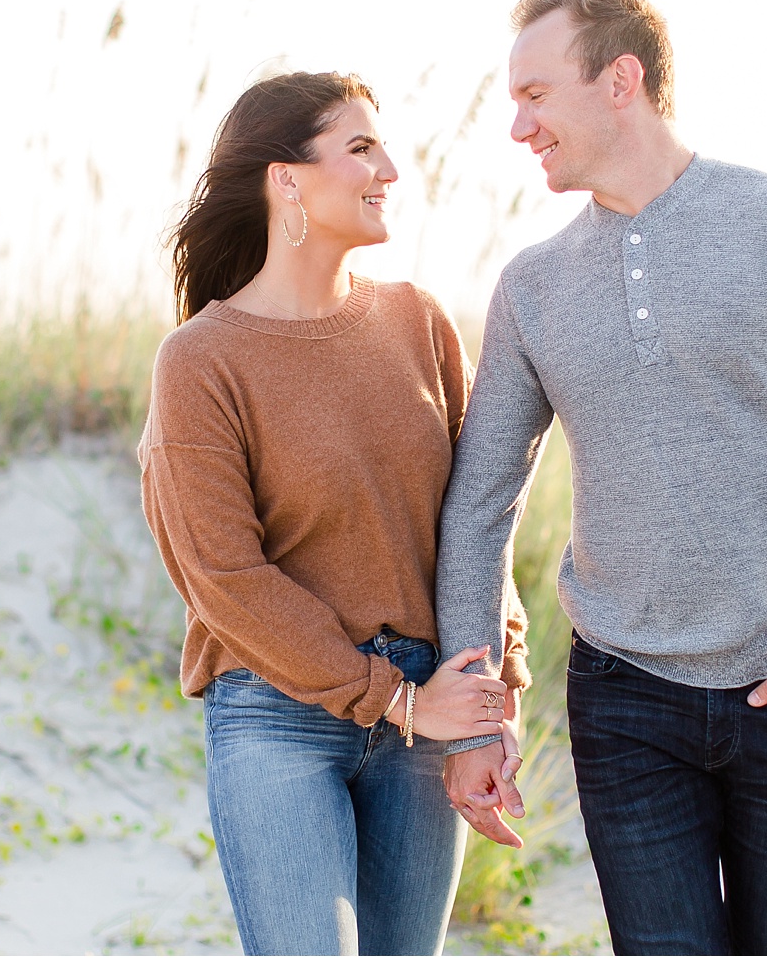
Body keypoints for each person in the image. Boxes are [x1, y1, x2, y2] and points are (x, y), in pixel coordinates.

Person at [436, 0, 767, 955]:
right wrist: (473, 720)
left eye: (537, 93)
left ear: (620, 80)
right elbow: (478, 506)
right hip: (625, 698)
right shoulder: (532, 287)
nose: (516, 124)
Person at [138, 71, 532, 956]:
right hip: (278, 714)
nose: (389, 166)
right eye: (360, 147)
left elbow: (479, 523)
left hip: (430, 704)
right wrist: (391, 699)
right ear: (286, 179)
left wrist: (487, 700)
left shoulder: (418, 323)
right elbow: (223, 576)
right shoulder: (201, 361)